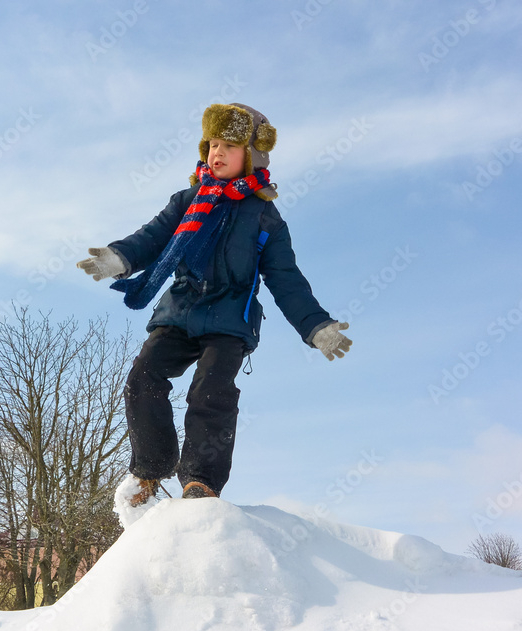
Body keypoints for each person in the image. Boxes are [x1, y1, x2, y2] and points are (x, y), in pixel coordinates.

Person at [78, 102, 351, 505]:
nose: (217, 153)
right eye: (212, 144)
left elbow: (286, 279)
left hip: (228, 321)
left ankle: (200, 481)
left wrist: (316, 326)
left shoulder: (264, 218)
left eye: (229, 145)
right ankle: (151, 468)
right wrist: (121, 257)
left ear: (252, 154)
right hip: (180, 310)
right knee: (143, 378)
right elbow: (152, 237)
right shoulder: (188, 200)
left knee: (210, 391)